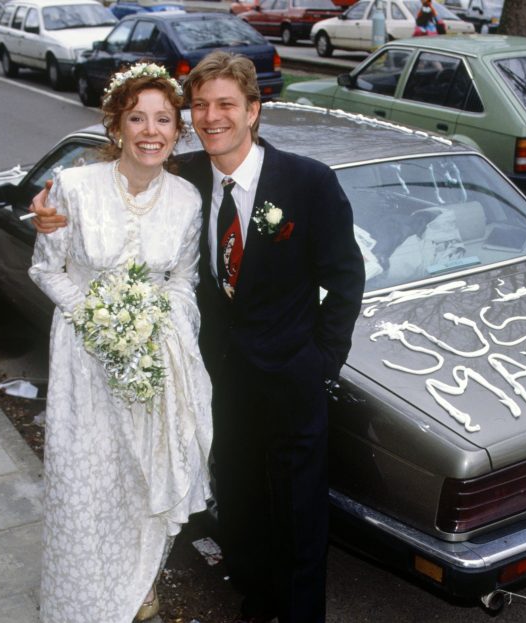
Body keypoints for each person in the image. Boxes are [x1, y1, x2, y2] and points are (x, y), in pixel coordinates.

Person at [33, 51, 365, 623]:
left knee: (299, 517)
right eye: (202, 106)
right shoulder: (186, 177)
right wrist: (44, 208)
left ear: (254, 111)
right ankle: (257, 604)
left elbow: (345, 280)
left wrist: (320, 364)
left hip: (291, 383)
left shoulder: (307, 182)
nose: (212, 117)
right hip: (221, 384)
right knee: (239, 509)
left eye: (226, 105)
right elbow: (120, 165)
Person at [28, 63, 213, 623]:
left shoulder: (185, 199)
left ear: (177, 130)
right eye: (138, 118)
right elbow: (45, 268)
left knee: (140, 477)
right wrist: (99, 319)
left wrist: (159, 321)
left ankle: (139, 590)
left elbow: (185, 277)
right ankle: (78, 599)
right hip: (84, 358)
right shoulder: (74, 188)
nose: (151, 130)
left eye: (164, 119)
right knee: (85, 485)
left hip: (154, 361)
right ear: (116, 127)